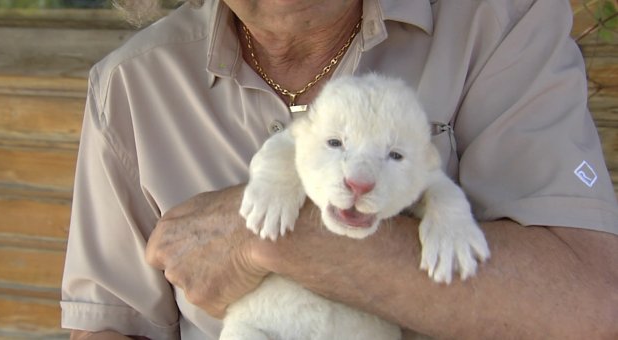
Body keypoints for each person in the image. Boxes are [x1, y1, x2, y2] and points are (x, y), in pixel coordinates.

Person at [61, 0, 618, 339]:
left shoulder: (499, 25)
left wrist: (277, 237)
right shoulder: (131, 84)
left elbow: (592, 307)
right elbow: (112, 324)